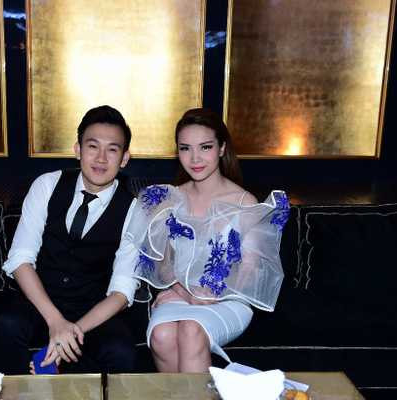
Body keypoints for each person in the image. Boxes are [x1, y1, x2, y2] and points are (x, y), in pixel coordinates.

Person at [112, 108, 290, 372]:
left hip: (227, 299)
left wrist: (206, 296)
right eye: (185, 148)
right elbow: (163, 265)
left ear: (221, 148)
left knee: (191, 330)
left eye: (205, 147)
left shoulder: (245, 202)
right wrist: (185, 293)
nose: (195, 158)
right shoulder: (169, 199)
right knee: (161, 335)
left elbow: (249, 270)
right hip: (180, 294)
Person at [0, 105, 140, 374]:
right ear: (77, 150)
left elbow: (122, 291)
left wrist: (71, 332)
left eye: (112, 149)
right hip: (40, 298)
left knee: (121, 352)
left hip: (93, 308)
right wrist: (55, 321)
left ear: (124, 158)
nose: (101, 158)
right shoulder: (47, 185)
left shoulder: (134, 209)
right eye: (92, 146)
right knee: (8, 325)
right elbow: (20, 260)